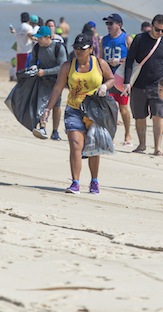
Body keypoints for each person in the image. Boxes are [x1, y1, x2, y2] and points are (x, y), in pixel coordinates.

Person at [41, 32, 115, 194]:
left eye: (82, 48)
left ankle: (94, 181)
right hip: (74, 109)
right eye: (75, 47)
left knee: (94, 147)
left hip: (95, 111)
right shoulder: (68, 66)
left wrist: (104, 87)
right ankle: (75, 183)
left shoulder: (100, 63)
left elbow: (111, 79)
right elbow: (57, 88)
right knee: (75, 145)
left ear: (91, 49)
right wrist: (47, 109)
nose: (78, 51)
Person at [123, 14, 163, 156]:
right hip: (139, 85)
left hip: (158, 86)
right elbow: (129, 61)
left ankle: (157, 148)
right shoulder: (139, 39)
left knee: (158, 116)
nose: (160, 33)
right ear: (151, 26)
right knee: (140, 116)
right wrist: (127, 82)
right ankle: (142, 145)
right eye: (158, 30)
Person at [100, 13, 133, 147]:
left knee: (123, 108)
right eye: (107, 23)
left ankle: (127, 134)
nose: (108, 26)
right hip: (108, 79)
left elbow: (133, 60)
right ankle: (110, 136)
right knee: (109, 108)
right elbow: (100, 59)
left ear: (119, 25)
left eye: (110, 23)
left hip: (121, 79)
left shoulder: (127, 39)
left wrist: (119, 61)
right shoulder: (104, 40)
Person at [30, 25, 67, 140]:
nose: (38, 40)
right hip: (42, 81)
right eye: (37, 38)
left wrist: (45, 72)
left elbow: (62, 67)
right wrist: (34, 68)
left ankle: (55, 131)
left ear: (47, 37)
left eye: (40, 38)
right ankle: (42, 128)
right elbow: (32, 62)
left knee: (56, 106)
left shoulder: (58, 48)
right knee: (42, 104)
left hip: (57, 82)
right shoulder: (36, 48)